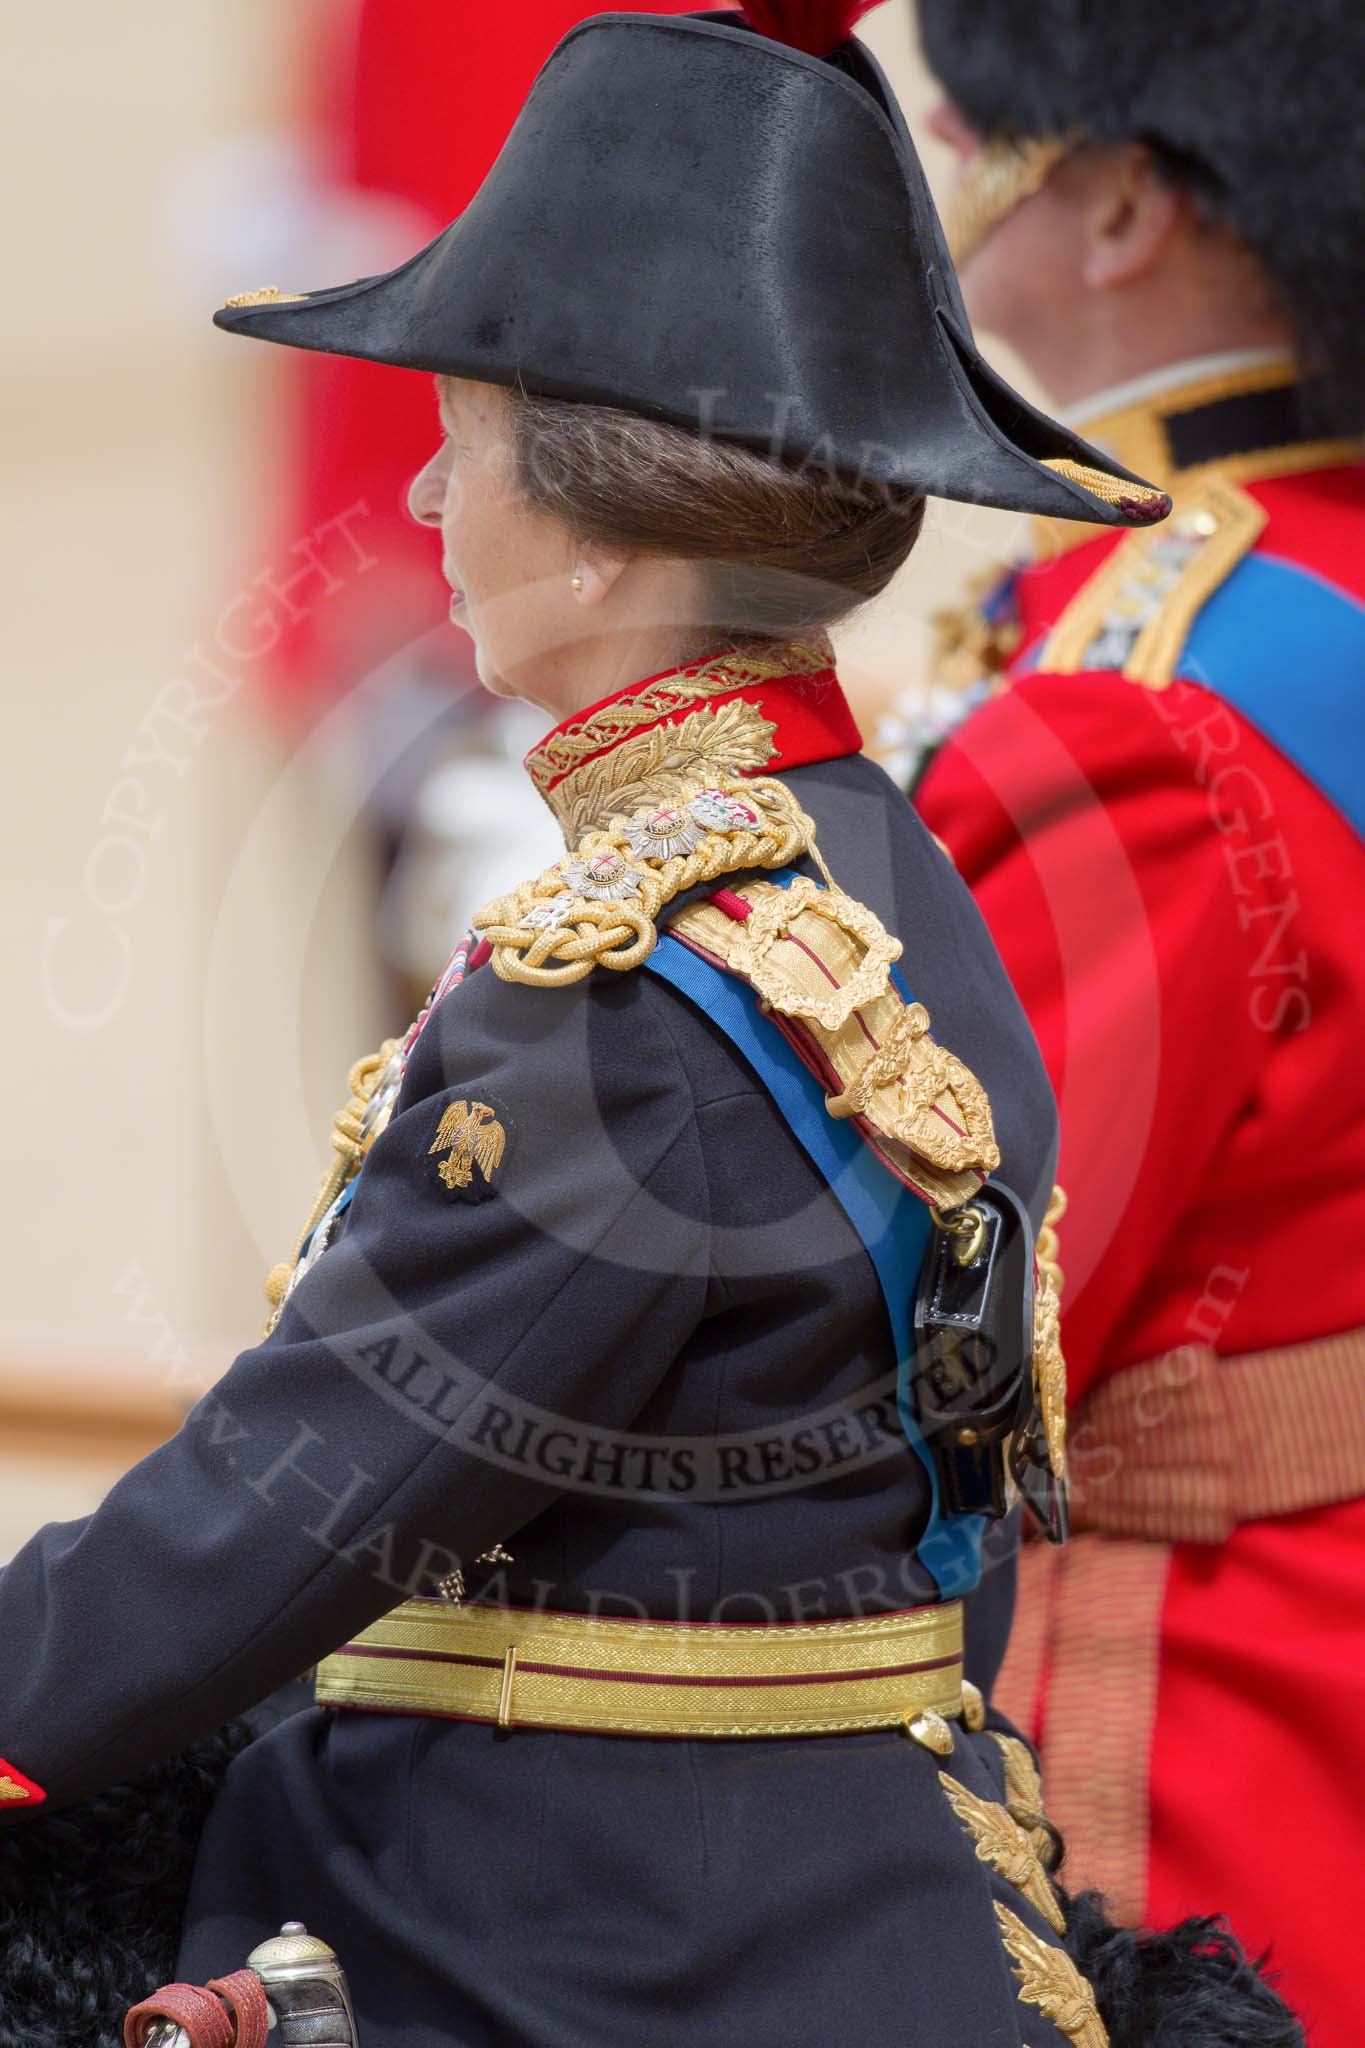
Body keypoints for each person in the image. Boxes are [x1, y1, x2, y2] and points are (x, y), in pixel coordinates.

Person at [0, 7, 1301, 2046]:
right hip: (855, 1884)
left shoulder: (619, 987)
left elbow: (299, 1491)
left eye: (468, 440)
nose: (426, 491)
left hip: (581, 1933)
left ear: (599, 537)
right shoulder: (889, 871)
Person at [907, 2, 1365, 2039]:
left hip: (1190, 1749)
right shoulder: (1269, 604)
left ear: (1111, 202)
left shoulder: (1137, 718)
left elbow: (929, 1344)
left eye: (975, 123)